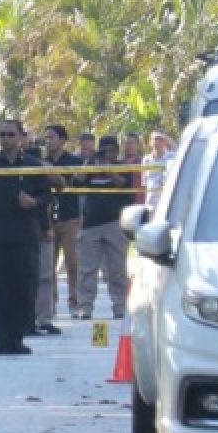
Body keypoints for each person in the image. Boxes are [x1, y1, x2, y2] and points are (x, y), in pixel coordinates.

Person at [0, 119, 52, 356]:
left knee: (23, 286)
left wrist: (34, 203)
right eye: (2, 135)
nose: (6, 139)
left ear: (21, 137)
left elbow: (47, 197)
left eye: (10, 135)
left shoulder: (33, 166)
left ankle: (17, 338)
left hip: (24, 236)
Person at [75, 136, 133, 320]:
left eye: (112, 150)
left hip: (115, 224)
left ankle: (120, 306)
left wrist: (109, 169)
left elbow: (124, 187)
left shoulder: (124, 167)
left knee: (117, 269)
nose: (109, 154)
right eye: (105, 151)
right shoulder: (91, 167)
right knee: (87, 270)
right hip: (90, 224)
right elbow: (76, 183)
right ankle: (85, 306)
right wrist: (89, 164)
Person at [42, 125, 83, 319]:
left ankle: (74, 301)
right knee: (48, 266)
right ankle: (50, 303)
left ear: (62, 140)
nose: (48, 141)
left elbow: (80, 182)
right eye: (46, 138)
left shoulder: (74, 161)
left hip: (70, 217)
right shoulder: (41, 162)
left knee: (72, 263)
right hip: (48, 219)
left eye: (52, 137)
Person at [144, 131, 176, 208]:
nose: (157, 142)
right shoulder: (146, 160)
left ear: (165, 141)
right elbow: (144, 183)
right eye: (155, 139)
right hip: (150, 203)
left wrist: (165, 137)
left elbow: (182, 150)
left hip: (166, 203)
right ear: (150, 142)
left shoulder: (172, 156)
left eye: (160, 139)